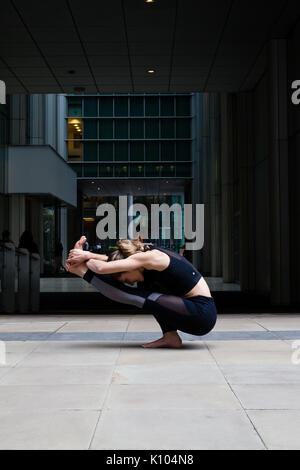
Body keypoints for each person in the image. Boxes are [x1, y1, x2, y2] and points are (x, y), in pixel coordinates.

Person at [66, 236, 217, 349]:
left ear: (130, 265)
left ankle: (80, 272)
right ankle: (170, 336)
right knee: (150, 289)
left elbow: (101, 268)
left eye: (125, 278)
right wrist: (87, 256)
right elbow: (110, 261)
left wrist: (82, 258)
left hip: (202, 314)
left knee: (138, 296)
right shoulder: (143, 260)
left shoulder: (152, 257)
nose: (128, 282)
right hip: (192, 310)